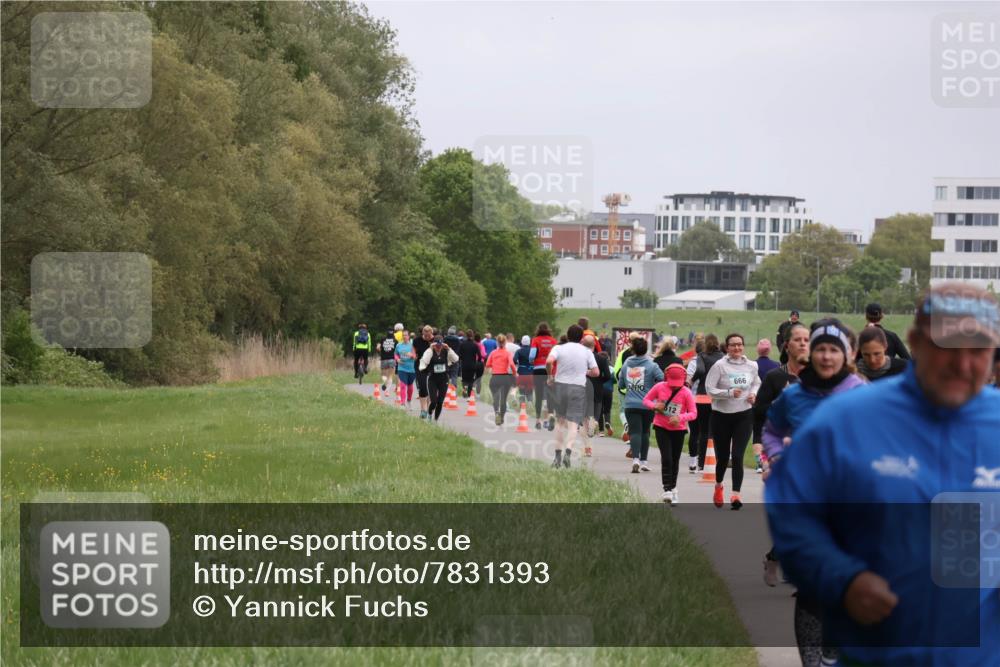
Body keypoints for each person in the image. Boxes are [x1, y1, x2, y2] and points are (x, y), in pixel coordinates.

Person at [766, 284, 1000, 666]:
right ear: (915, 343)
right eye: (948, 349)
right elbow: (793, 511)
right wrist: (843, 579)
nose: (963, 365)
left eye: (979, 350)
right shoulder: (847, 420)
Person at [761, 318, 864, 666]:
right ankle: (811, 660)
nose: (826, 355)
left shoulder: (860, 393)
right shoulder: (793, 395)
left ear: (846, 355)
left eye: (833, 349)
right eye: (820, 348)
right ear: (811, 353)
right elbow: (772, 431)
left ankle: (833, 653)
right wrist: (776, 456)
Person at [704, 333, 760, 510]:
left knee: (737, 456)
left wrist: (753, 394)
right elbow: (709, 389)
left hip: (744, 415)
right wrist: (727, 393)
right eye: (733, 345)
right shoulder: (719, 366)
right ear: (726, 348)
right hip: (721, 416)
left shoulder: (752, 365)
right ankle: (718, 486)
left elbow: (756, 383)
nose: (737, 348)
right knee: (722, 458)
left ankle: (736, 494)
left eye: (740, 344)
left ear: (743, 346)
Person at [545, 324, 599, 468]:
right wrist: (585, 372)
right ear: (581, 337)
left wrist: (550, 376)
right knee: (573, 424)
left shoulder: (559, 348)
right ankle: (568, 453)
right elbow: (596, 372)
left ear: (568, 336)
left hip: (560, 387)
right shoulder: (587, 351)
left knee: (560, 422)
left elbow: (549, 361)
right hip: (578, 388)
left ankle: (557, 457)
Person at [644, 364, 697, 504]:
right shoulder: (659, 387)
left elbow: (693, 413)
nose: (674, 387)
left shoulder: (686, 392)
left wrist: (680, 418)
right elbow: (646, 400)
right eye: (672, 383)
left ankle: (674, 489)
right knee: (666, 458)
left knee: (675, 459)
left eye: (677, 384)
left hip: (678, 430)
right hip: (661, 427)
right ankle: (667, 489)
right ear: (666, 377)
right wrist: (654, 406)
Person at [618, 336, 664, 474]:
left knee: (635, 432)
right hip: (647, 404)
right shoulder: (652, 365)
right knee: (645, 432)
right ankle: (644, 461)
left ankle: (635, 460)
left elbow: (621, 384)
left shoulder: (627, 364)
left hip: (630, 404)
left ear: (633, 349)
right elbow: (662, 379)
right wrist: (653, 388)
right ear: (646, 349)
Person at [688, 333, 724, 473]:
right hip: (718, 397)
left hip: (703, 397)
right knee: (715, 431)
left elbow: (701, 369)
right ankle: (715, 460)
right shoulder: (723, 357)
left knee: (703, 431)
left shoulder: (702, 356)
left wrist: (692, 380)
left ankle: (702, 462)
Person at [582, 335, 611, 455]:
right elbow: (608, 376)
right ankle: (593, 423)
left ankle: (587, 448)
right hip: (597, 389)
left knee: (584, 419)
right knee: (595, 414)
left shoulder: (580, 358)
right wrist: (600, 381)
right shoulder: (601, 359)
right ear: (594, 345)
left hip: (583, 388)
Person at [418, 336, 459, 421]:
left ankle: (436, 420)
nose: (438, 348)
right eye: (437, 346)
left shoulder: (446, 351)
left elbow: (456, 359)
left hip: (443, 379)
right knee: (433, 401)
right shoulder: (430, 351)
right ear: (434, 345)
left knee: (440, 402)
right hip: (433, 379)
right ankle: (429, 414)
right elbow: (425, 360)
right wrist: (430, 349)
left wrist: (449, 349)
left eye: (440, 346)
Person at [484, 334, 517, 425]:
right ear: (505, 342)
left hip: (495, 378)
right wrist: (515, 373)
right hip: (505, 378)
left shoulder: (493, 353)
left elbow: (487, 365)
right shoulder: (507, 353)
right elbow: (511, 364)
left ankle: (496, 412)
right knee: (503, 399)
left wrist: (494, 365)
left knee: (496, 398)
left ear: (497, 343)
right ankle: (501, 417)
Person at [530, 322, 558, 430]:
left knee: (538, 395)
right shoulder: (553, 341)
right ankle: (550, 415)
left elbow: (532, 355)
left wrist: (532, 361)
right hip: (549, 369)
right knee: (550, 394)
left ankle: (538, 420)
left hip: (538, 369)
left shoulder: (535, 340)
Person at [413, 325, 434, 419]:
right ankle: (423, 410)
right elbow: (413, 351)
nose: (427, 337)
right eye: (425, 336)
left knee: (430, 389)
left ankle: (428, 409)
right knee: (422, 388)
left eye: (429, 336)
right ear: (423, 333)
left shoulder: (434, 340)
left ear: (431, 333)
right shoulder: (417, 340)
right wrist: (413, 355)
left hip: (431, 367)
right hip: (420, 366)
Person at [458, 330, 484, 399]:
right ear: (472, 336)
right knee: (471, 379)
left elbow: (459, 354)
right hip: (472, 364)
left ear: (466, 335)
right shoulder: (475, 345)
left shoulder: (462, 344)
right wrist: (477, 362)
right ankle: (469, 393)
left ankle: (465, 391)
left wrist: (461, 359)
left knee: (464, 379)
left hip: (464, 364)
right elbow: (480, 356)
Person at [394, 330, 417, 408]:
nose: (404, 337)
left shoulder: (412, 345)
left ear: (408, 336)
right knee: (403, 385)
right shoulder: (398, 345)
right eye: (403, 335)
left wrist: (412, 355)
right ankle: (402, 403)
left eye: (406, 335)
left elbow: (416, 357)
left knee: (410, 387)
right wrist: (398, 360)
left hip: (411, 369)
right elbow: (395, 354)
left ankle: (409, 400)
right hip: (402, 368)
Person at [377, 328, 398, 393]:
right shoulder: (395, 340)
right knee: (390, 375)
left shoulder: (383, 339)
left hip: (384, 359)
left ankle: (384, 382)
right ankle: (387, 391)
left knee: (384, 375)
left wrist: (381, 352)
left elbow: (378, 348)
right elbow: (397, 350)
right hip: (392, 359)